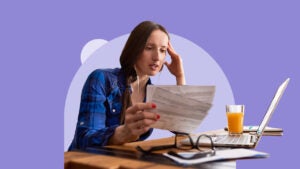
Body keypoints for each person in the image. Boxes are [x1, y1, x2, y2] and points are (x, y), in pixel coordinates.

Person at [68, 21, 185, 151]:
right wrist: (122, 133)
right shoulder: (101, 79)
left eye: (163, 50)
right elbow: (84, 139)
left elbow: (183, 129)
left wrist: (179, 76)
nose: (157, 57)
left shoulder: (155, 96)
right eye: (149, 48)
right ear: (135, 49)